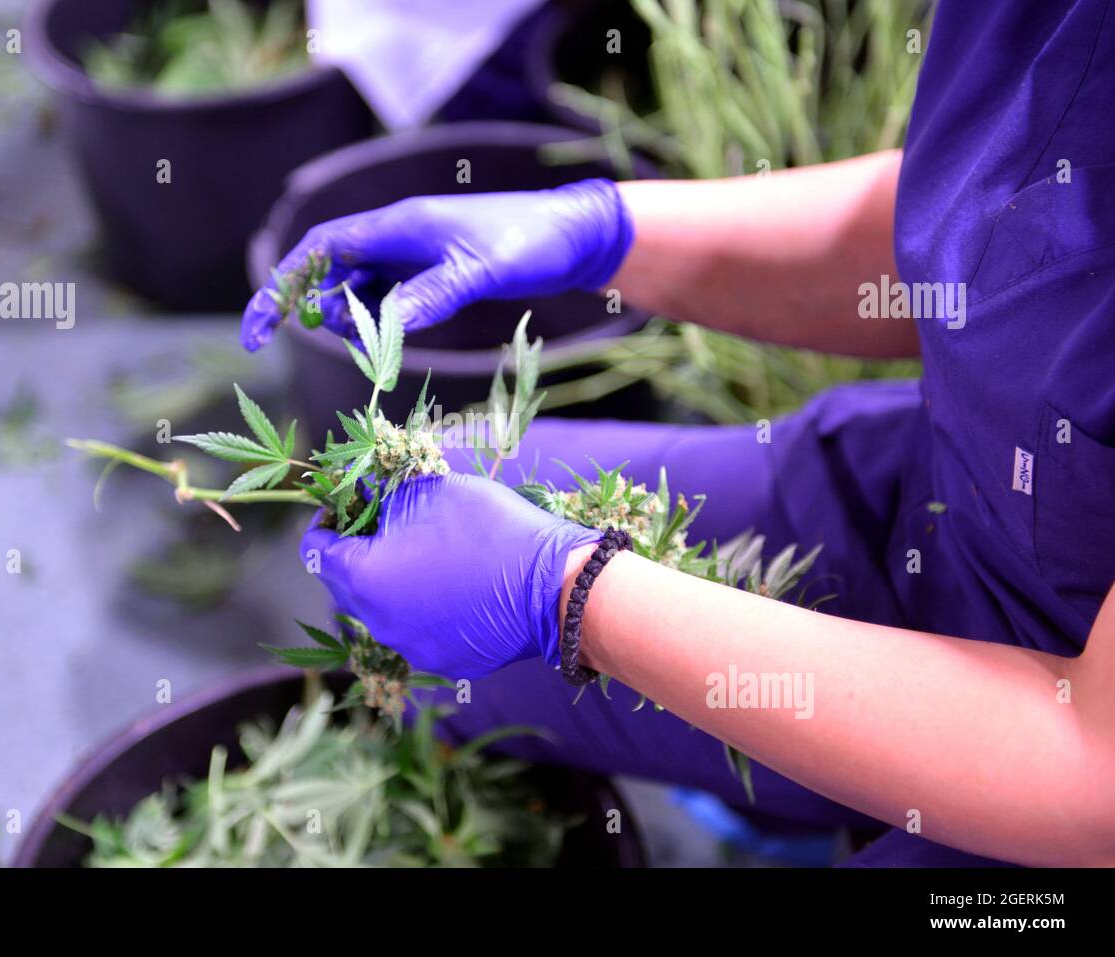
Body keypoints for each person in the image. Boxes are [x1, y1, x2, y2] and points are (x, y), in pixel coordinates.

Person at [240, 1, 1115, 866]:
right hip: (945, 505)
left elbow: (1091, 774)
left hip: (1055, 768)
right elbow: (974, 218)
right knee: (401, 559)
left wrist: (571, 596)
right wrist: (600, 231)